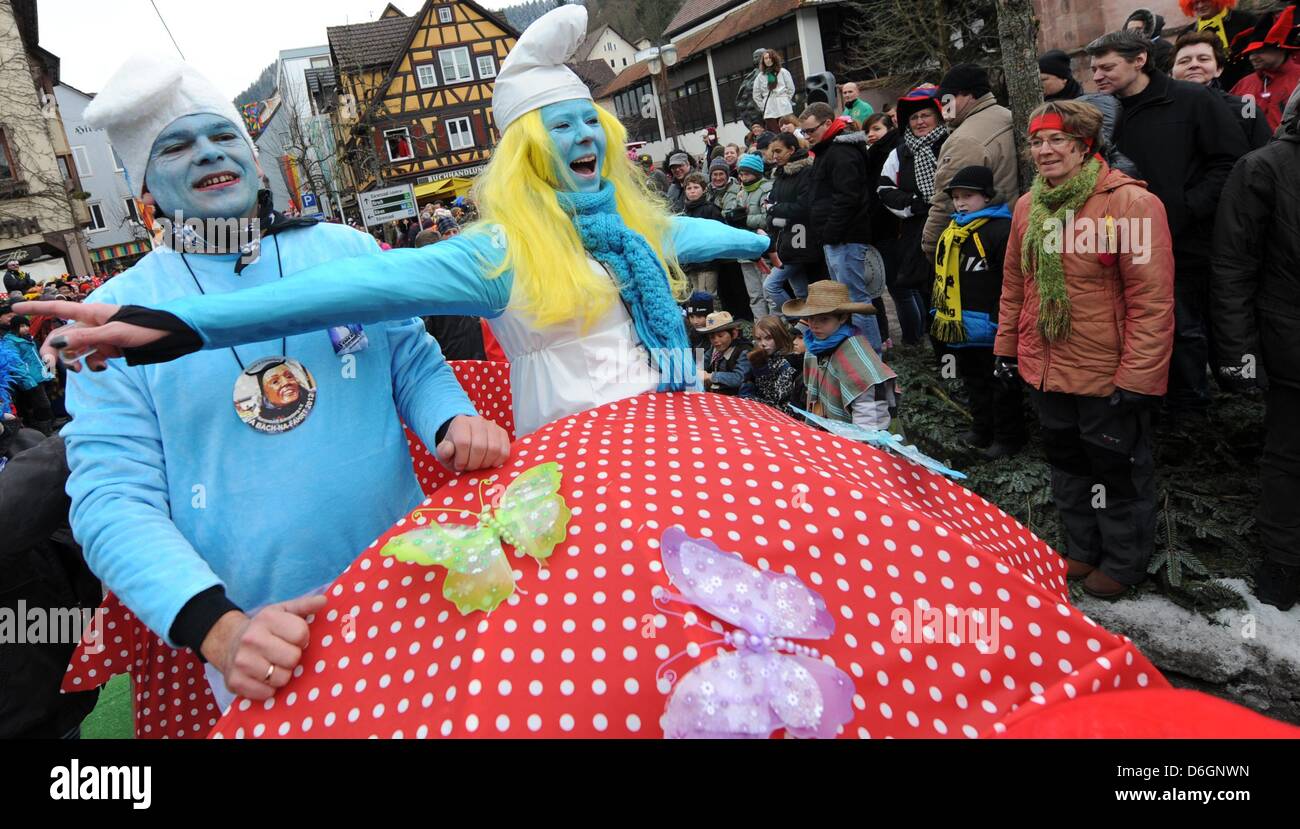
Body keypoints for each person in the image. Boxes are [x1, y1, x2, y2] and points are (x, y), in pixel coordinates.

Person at [14, 53, 510, 713]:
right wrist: (220, 630)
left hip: (413, 583)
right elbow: (110, 501)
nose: (207, 153)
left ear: (254, 157)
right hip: (267, 641)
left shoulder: (344, 253)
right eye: (177, 146)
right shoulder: (111, 319)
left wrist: (450, 419)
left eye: (223, 137)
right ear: (147, 191)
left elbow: (411, 359)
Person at [996, 100, 1174, 599]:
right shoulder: (1028, 206)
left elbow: (1152, 300)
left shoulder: (1130, 204)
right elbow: (1016, 285)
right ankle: (1081, 547)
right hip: (1047, 367)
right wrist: (1007, 351)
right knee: (1068, 464)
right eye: (1037, 141)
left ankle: (1123, 562)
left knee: (1115, 472)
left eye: (1058, 140)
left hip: (1106, 372)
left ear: (1084, 144)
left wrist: (1139, 377)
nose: (1046, 150)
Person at [1087, 29, 1248, 417]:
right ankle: (1150, 405)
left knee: (1184, 328)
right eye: (1093, 69)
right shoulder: (1102, 113)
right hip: (1125, 242)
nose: (1097, 77)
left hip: (1187, 240)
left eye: (1106, 67)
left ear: (1139, 59)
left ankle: (1191, 411)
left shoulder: (1191, 100)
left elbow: (1231, 163)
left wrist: (1185, 208)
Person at [1210, 86, 1300, 611]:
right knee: (1288, 456)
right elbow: (1233, 267)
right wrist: (1238, 354)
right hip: (1288, 340)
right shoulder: (1263, 167)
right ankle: (1283, 564)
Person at [929, 165, 1024, 458]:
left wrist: (1001, 318)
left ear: (986, 196)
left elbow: (1011, 278)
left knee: (1001, 384)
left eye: (968, 196)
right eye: (956, 197)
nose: (960, 203)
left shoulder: (999, 230)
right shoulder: (953, 230)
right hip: (961, 325)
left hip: (992, 324)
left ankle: (1008, 439)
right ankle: (981, 429)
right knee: (974, 381)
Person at [800, 103, 884, 353]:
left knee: (856, 302)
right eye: (804, 132)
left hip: (846, 238)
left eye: (810, 130)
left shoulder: (842, 152)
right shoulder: (828, 150)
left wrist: (831, 233)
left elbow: (848, 198)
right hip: (836, 238)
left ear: (828, 124)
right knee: (846, 301)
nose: (807, 136)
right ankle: (855, 353)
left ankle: (871, 357)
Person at [921, 64, 1020, 264]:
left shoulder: (964, 139)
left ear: (969, 95)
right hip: (1008, 232)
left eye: (947, 99)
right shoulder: (1006, 116)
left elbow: (946, 199)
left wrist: (930, 245)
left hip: (979, 245)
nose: (943, 106)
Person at [877, 86, 947, 346]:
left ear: (938, 116)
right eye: (914, 117)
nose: (919, 122)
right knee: (927, 294)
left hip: (954, 228)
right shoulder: (899, 152)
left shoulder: (951, 143)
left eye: (925, 115)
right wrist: (914, 204)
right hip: (916, 233)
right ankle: (938, 357)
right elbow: (884, 189)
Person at [784, 281, 895, 431]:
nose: (814, 325)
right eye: (811, 318)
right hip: (824, 429)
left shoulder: (857, 358)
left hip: (852, 439)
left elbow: (869, 418)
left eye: (824, 319)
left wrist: (859, 446)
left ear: (843, 318)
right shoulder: (814, 345)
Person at [1172, 30, 1272, 149]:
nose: (1194, 65)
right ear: (1171, 72)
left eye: (1203, 59)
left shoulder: (1245, 107)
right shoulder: (1159, 111)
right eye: (1184, 61)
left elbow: (1265, 153)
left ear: (1218, 69)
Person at [763, 133, 821, 319]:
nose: (775, 156)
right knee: (802, 293)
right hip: (786, 242)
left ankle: (798, 322)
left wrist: (776, 210)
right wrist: (774, 212)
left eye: (779, 151)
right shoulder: (780, 175)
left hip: (801, 240)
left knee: (771, 285)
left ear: (792, 150)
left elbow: (803, 207)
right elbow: (770, 204)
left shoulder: (806, 172)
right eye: (772, 152)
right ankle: (806, 326)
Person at [1229, 6, 1300, 134]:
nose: (1252, 58)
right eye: (1250, 53)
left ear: (1281, 49)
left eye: (1259, 51)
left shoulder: (1298, 79)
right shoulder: (1244, 84)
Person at [722, 152, 774, 320]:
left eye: (747, 173)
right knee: (755, 296)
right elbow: (734, 216)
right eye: (741, 174)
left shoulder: (767, 189)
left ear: (757, 173)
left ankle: (776, 329)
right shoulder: (741, 193)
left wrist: (746, 220)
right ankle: (761, 329)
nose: (743, 177)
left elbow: (769, 218)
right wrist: (732, 217)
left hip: (763, 250)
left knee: (769, 293)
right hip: (745, 251)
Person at [1178, 0, 1261, 90]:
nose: (1200, 6)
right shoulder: (1187, 33)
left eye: (1205, 1)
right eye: (1195, 2)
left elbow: (1257, 54)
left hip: (1245, 88)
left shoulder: (1245, 20)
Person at [0, 314, 55, 435]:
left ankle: (47, 426)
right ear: (15, 327)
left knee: (42, 403)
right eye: (22, 326)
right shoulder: (11, 342)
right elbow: (16, 364)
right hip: (30, 379)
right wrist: (28, 381)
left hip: (39, 376)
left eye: (27, 326)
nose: (26, 328)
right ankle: (45, 431)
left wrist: (47, 373)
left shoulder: (27, 338)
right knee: (42, 405)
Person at [741, 315, 804, 415]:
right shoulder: (762, 357)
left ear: (779, 337)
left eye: (768, 338)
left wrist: (749, 400)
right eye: (758, 339)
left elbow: (778, 403)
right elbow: (748, 388)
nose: (763, 343)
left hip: (783, 416)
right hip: (760, 410)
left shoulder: (788, 363)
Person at [681, 172, 725, 296]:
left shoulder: (710, 209)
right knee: (694, 297)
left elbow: (719, 233)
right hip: (691, 263)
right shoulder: (685, 211)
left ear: (704, 189)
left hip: (707, 263)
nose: (692, 191)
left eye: (696, 187)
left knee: (707, 295)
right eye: (689, 188)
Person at [698, 311, 750, 395]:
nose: (716, 341)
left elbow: (739, 378)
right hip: (714, 393)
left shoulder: (744, 351)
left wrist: (711, 376)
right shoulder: (713, 348)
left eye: (720, 336)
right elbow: (702, 362)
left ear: (734, 334)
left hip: (736, 396)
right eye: (712, 337)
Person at [752, 50, 796, 132]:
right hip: (769, 108)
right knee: (775, 133)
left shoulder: (783, 72)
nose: (768, 60)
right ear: (763, 61)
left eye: (770, 58)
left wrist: (785, 99)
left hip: (783, 106)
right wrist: (763, 106)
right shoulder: (760, 76)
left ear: (774, 59)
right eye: (765, 58)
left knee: (788, 131)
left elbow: (791, 88)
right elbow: (756, 94)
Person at [1125, 7, 1176, 72]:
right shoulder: (1127, 51)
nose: (1133, 33)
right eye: (1130, 30)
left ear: (1147, 29)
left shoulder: (1165, 48)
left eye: (1138, 29)